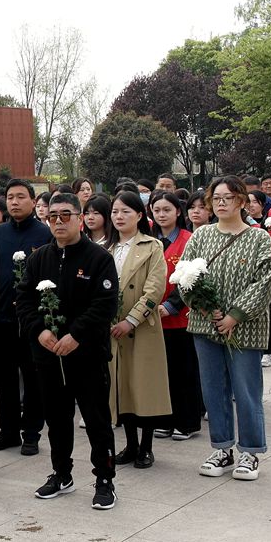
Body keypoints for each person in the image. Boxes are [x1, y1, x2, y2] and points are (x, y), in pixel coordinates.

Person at [17, 193, 120, 509]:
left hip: (87, 355)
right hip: (49, 355)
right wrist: (40, 331)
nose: (59, 222)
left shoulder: (99, 258)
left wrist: (76, 335)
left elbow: (104, 305)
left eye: (66, 215)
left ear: (80, 218)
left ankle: (104, 479)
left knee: (96, 420)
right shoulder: (38, 259)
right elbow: (24, 300)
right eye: (53, 216)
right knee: (57, 419)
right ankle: (61, 474)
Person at [184, 176, 271, 482]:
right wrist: (204, 307)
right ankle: (222, 448)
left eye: (229, 197)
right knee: (213, 389)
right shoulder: (201, 236)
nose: (222, 203)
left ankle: (250, 451)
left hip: (245, 328)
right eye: (216, 198)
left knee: (246, 390)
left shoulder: (259, 238)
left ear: (242, 201)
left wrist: (234, 315)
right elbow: (184, 275)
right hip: (205, 324)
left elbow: (263, 284)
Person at [0, 178, 52, 456]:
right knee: (4, 378)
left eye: (21, 197)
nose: (14, 202)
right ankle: (8, 431)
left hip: (33, 320)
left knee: (33, 377)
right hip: (2, 318)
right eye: (10, 197)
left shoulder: (45, 234)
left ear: (33, 201)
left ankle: (32, 433)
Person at [107, 191, 172, 469]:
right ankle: (130, 444)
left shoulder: (152, 246)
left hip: (141, 329)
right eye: (115, 211)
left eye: (125, 211)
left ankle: (146, 447)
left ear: (139, 215)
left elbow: (154, 290)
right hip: (113, 330)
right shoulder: (105, 248)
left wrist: (131, 320)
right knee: (123, 388)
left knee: (144, 387)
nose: (119, 217)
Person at [150, 191, 202, 441]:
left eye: (167, 210)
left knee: (184, 372)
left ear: (178, 212)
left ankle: (187, 422)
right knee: (161, 372)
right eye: (156, 210)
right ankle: (164, 420)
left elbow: (193, 278)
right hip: (152, 318)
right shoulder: (148, 241)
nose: (161, 215)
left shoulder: (189, 240)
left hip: (181, 318)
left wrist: (171, 306)